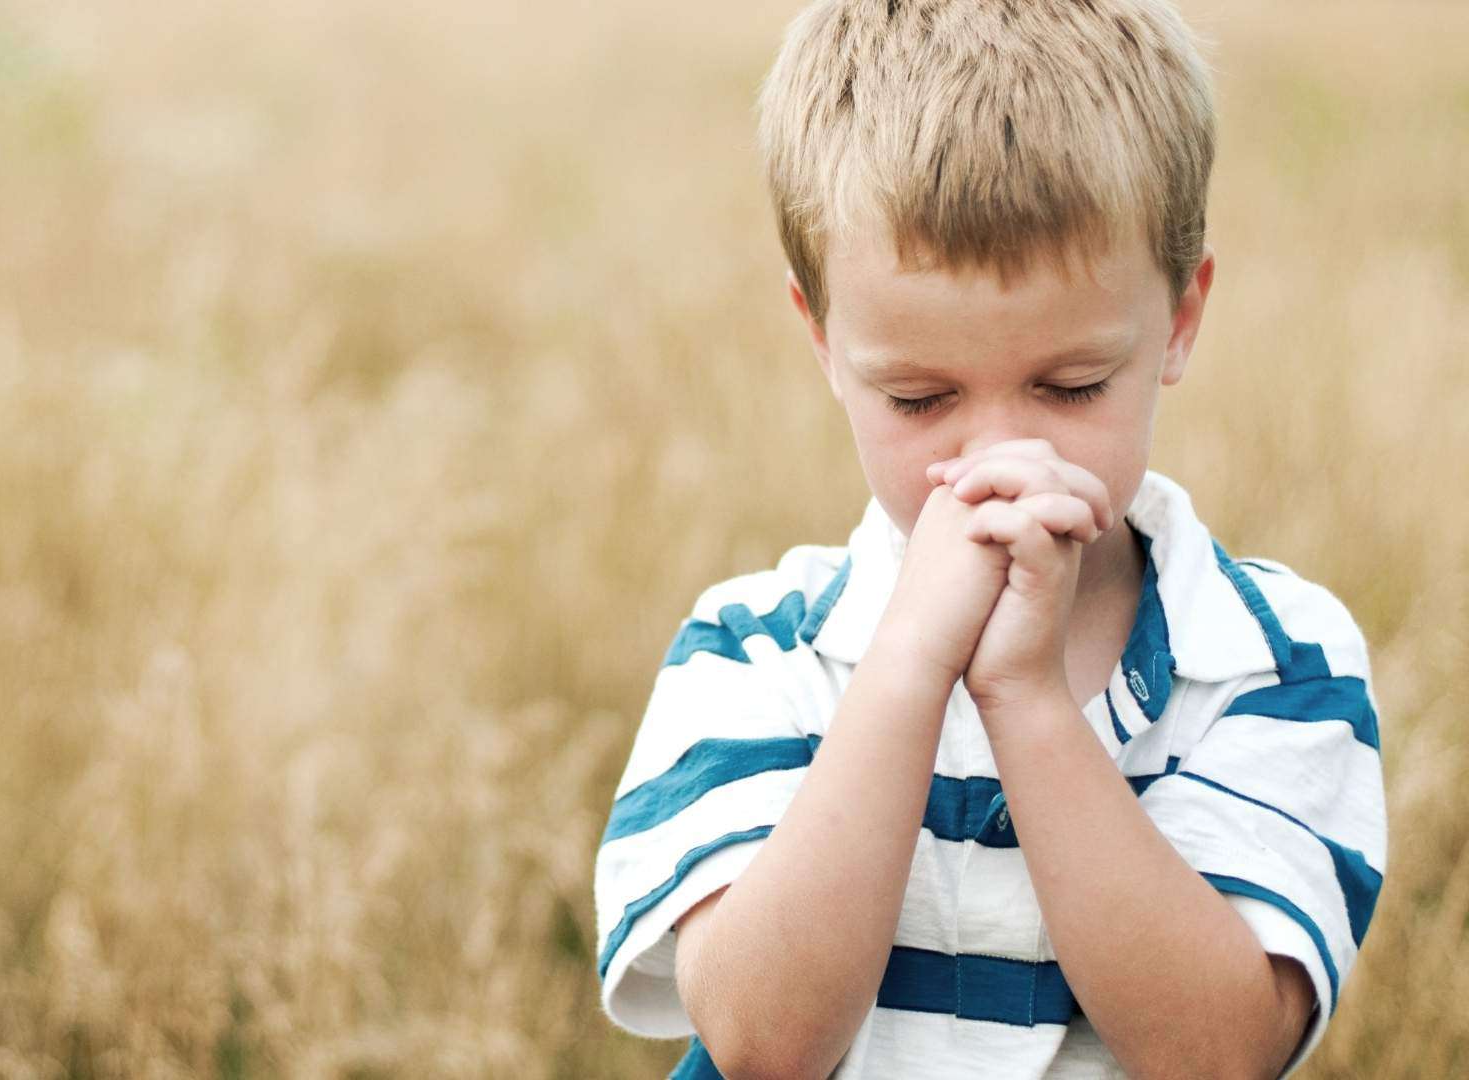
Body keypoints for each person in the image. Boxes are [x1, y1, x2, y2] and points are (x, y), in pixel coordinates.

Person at [590, 1, 1387, 1077]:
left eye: (1071, 387)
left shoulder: (1270, 659)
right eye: (921, 398)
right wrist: (910, 664)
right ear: (824, 341)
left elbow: (1221, 1053)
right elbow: (762, 1044)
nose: (1000, 458)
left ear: (1180, 321)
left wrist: (1028, 700)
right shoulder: (755, 655)